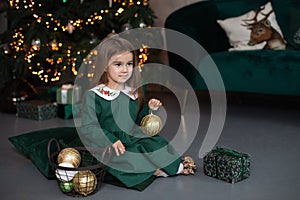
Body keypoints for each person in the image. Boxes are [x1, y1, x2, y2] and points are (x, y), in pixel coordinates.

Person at [79, 35, 196, 190]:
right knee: (125, 159)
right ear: (105, 67)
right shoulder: (95, 95)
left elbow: (139, 119)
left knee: (157, 144)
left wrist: (149, 109)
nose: (125, 69)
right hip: (110, 143)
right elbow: (89, 126)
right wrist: (111, 140)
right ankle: (152, 171)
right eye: (118, 64)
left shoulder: (132, 92)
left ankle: (167, 166)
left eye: (129, 64)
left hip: (132, 136)